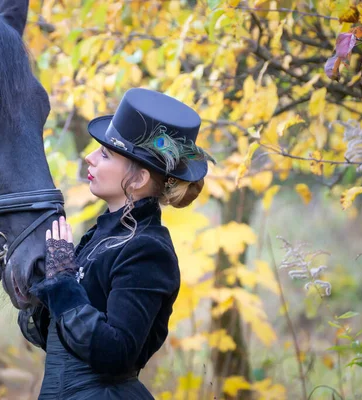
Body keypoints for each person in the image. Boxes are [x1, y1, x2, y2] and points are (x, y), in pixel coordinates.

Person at [18, 88, 215, 399]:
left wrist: (64, 284)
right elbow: (59, 337)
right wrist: (41, 282)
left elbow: (116, 353)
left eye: (106, 154)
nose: (90, 157)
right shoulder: (101, 237)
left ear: (138, 180)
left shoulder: (147, 251)